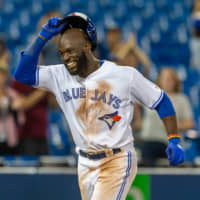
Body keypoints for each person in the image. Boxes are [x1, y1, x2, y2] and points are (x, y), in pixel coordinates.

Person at [14, 12, 184, 200]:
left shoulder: (123, 75)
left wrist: (174, 138)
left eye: (71, 51)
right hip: (85, 162)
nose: (66, 57)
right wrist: (42, 36)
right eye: (62, 53)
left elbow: (161, 101)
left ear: (87, 46)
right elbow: (22, 74)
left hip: (116, 158)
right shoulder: (59, 74)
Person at [140, 68, 194, 166]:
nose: (167, 82)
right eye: (164, 78)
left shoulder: (181, 99)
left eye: (170, 79)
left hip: (169, 142)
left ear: (175, 82)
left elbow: (190, 123)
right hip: (149, 141)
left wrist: (172, 126)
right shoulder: (150, 96)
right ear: (159, 80)